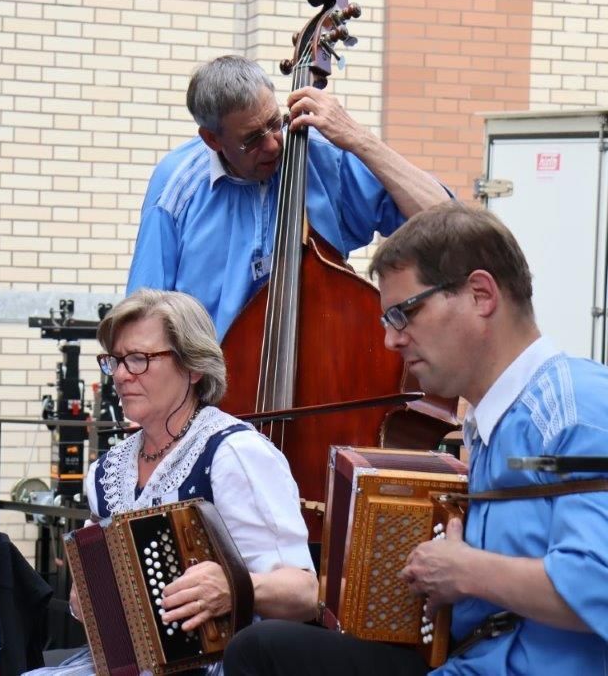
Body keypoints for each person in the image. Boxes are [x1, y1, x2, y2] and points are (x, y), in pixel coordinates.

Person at [223, 201, 608, 675]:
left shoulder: (578, 408)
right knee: (263, 648)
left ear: (481, 295)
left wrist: (463, 571)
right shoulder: (492, 423)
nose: (391, 340)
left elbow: (598, 583)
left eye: (404, 313)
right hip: (468, 662)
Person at [30, 288, 317, 675]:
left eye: (139, 359)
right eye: (115, 360)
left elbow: (304, 592)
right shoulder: (107, 470)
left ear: (193, 367)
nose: (121, 375)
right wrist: (88, 598)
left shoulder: (233, 453)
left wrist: (234, 587)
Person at [127, 55, 450, 340]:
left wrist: (360, 140)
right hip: (212, 384)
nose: (273, 145)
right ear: (212, 139)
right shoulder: (176, 186)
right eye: (252, 139)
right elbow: (142, 318)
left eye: (275, 123)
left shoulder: (322, 156)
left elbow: (447, 224)